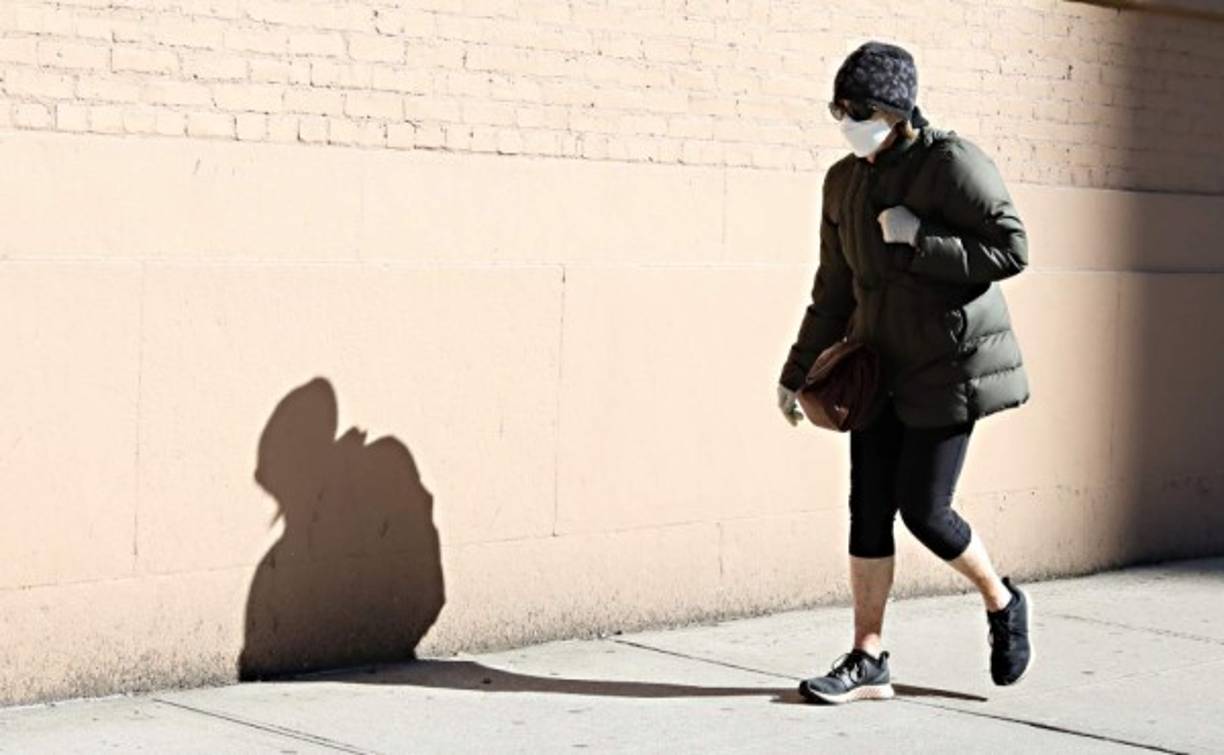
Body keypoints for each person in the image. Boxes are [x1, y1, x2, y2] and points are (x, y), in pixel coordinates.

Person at [776, 41, 1034, 704]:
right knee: (868, 509)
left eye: (858, 109)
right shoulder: (842, 180)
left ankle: (1002, 600)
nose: (847, 120)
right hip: (876, 367)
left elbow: (1012, 248)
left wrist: (920, 240)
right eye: (839, 108)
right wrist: (797, 370)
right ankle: (868, 656)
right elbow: (832, 288)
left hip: (948, 368)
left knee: (925, 510)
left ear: (897, 111)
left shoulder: (951, 163)